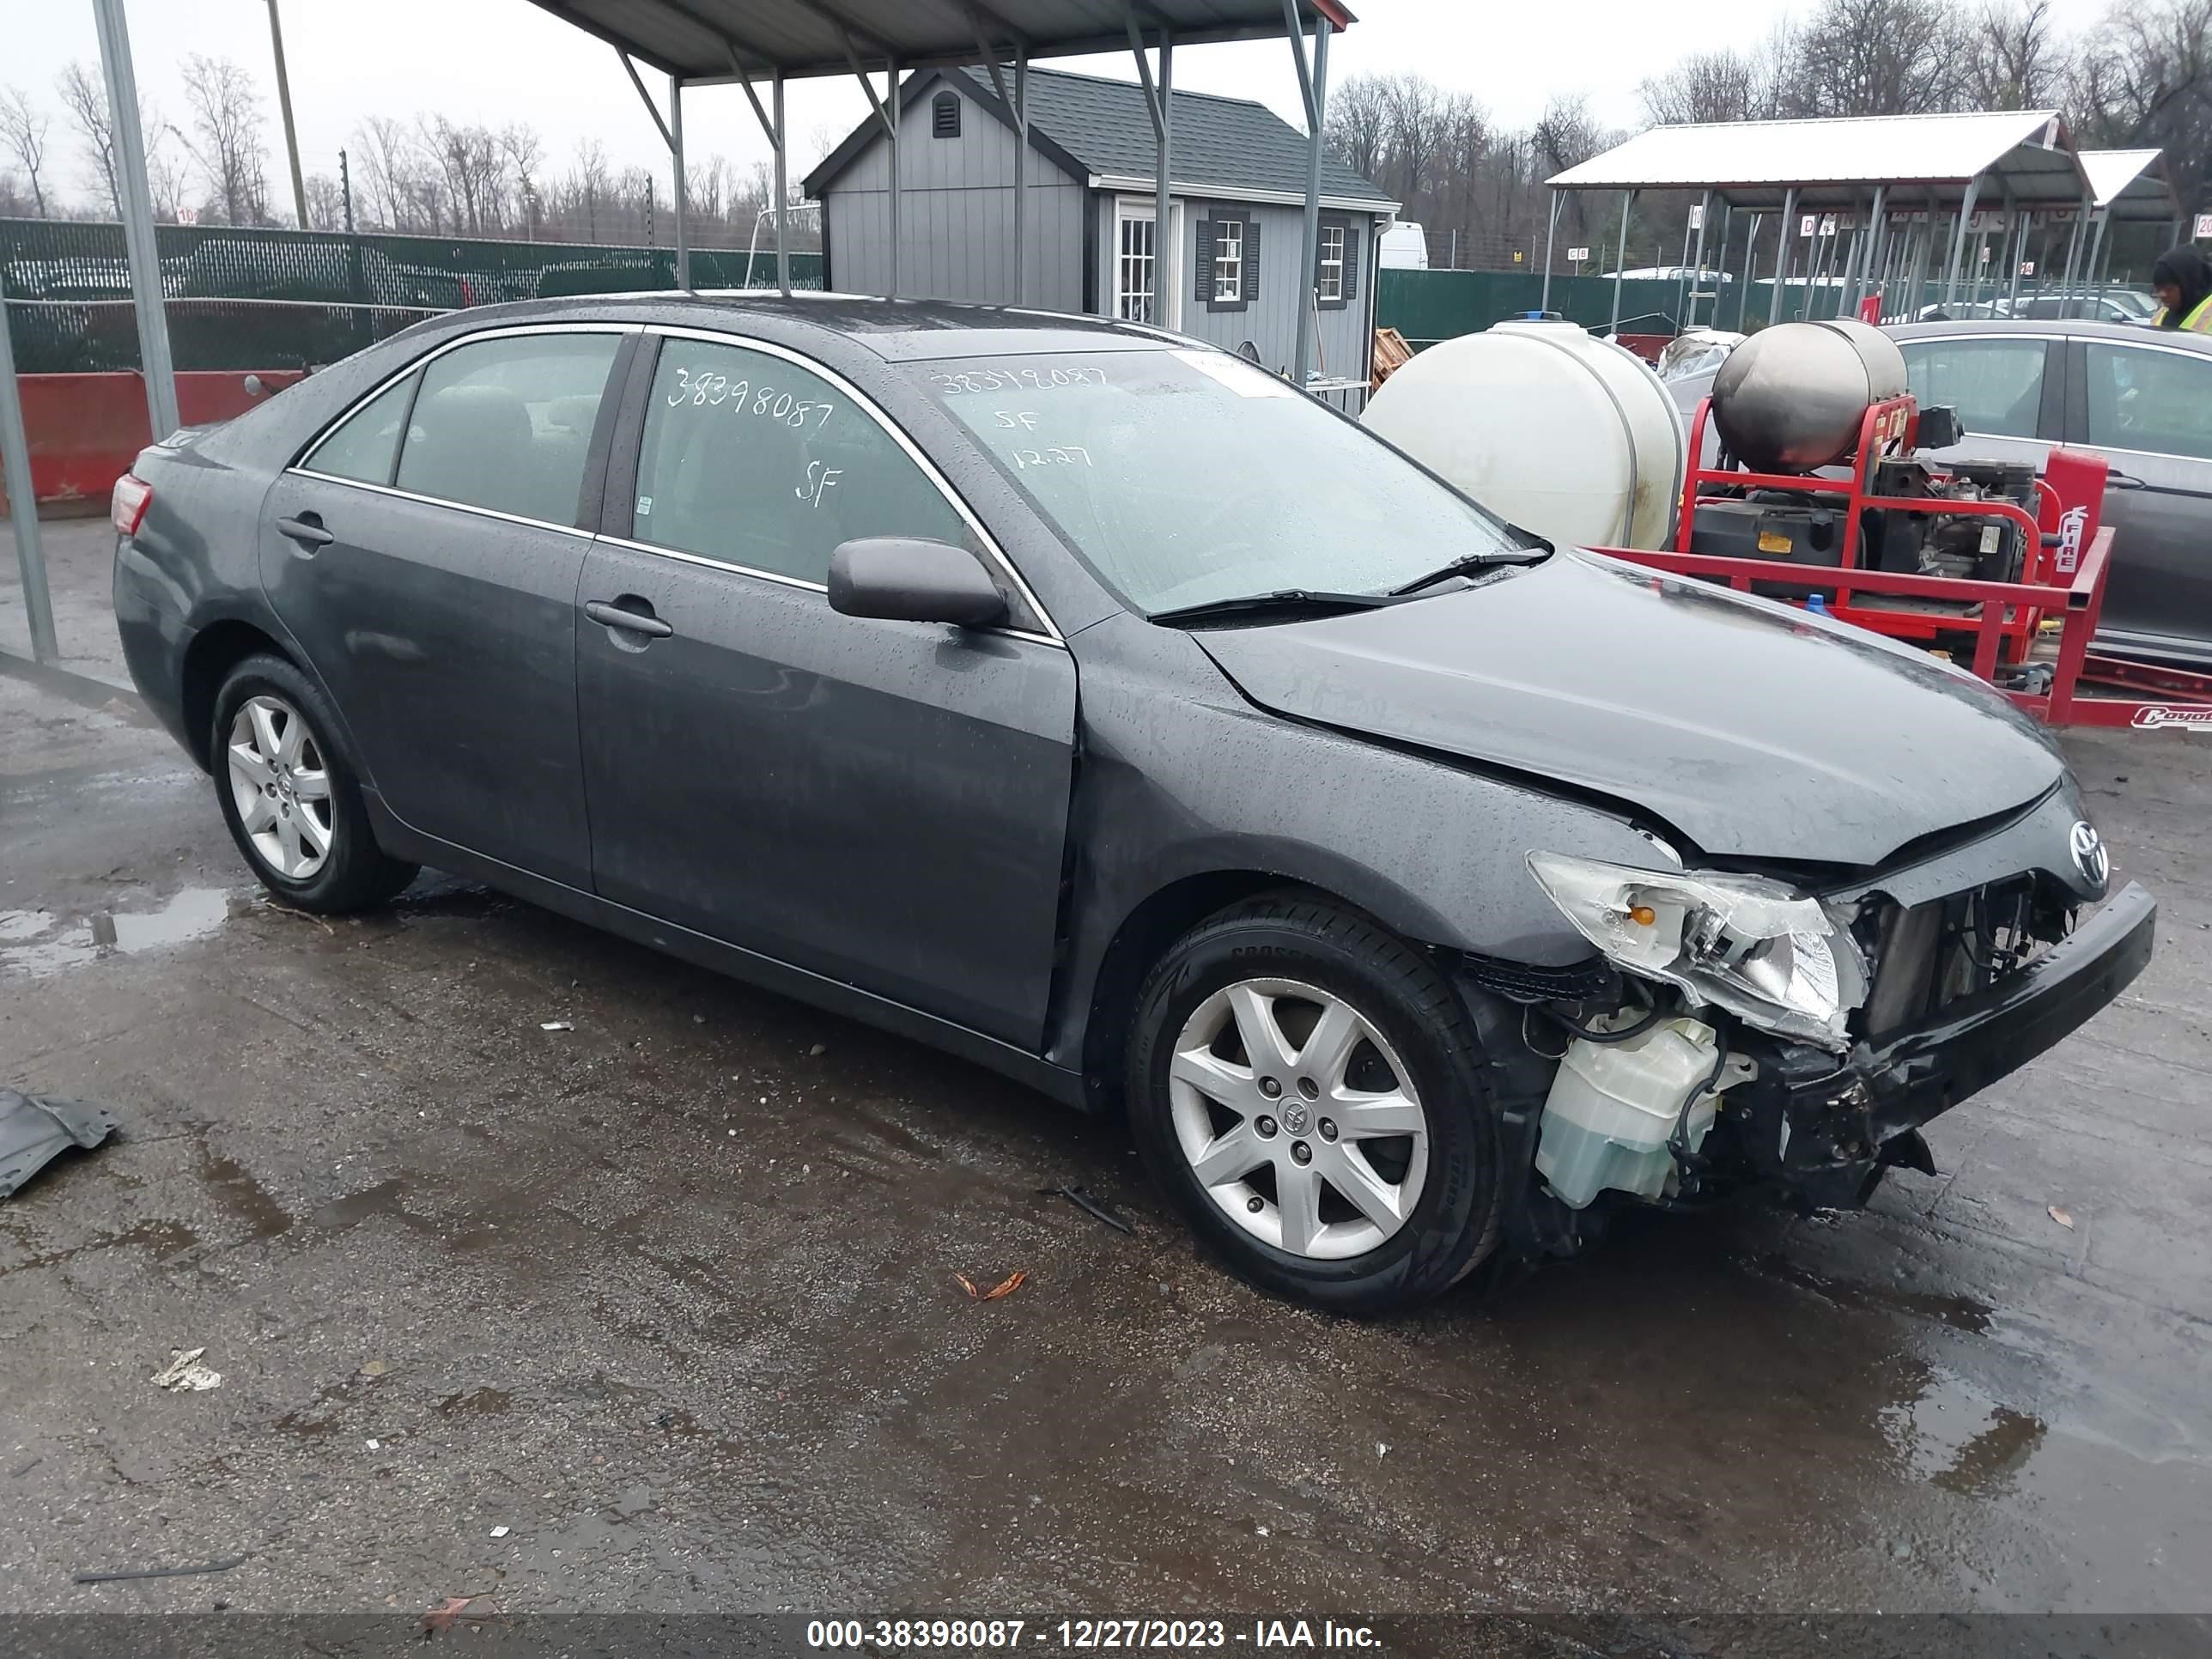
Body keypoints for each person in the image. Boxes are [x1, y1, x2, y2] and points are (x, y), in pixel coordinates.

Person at [2149, 245, 2212, 331]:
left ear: (2188, 286)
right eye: (2158, 289)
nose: (2162, 295)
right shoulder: (2162, 314)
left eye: (2169, 289)